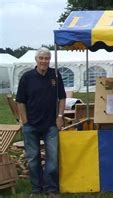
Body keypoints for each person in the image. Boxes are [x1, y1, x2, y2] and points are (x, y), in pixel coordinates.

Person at [16, 47, 66, 195]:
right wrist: (24, 120)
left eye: (47, 58)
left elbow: (62, 97)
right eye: (41, 58)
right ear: (36, 60)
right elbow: (20, 101)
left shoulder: (55, 75)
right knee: (33, 159)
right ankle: (37, 189)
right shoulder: (27, 77)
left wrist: (60, 117)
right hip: (31, 125)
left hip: (51, 125)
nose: (44, 61)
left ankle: (51, 189)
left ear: (49, 60)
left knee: (53, 159)